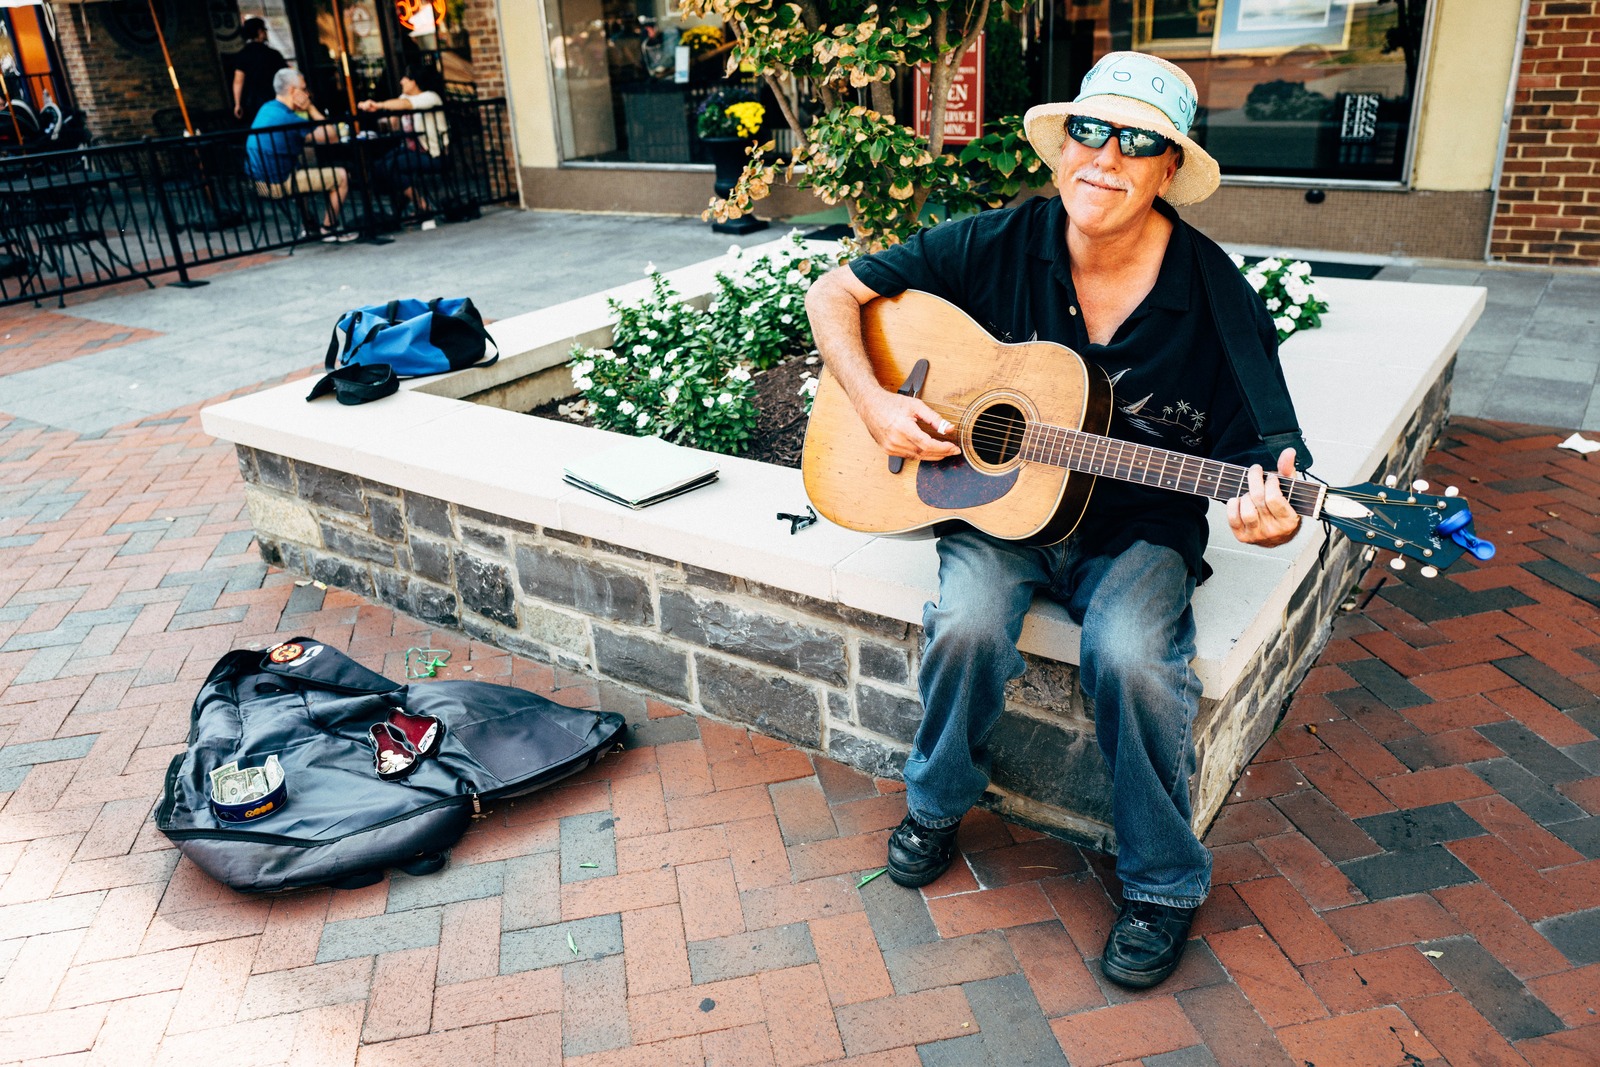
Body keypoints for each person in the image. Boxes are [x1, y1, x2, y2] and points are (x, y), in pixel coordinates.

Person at [804, 51, 1308, 990]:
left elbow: (1269, 465)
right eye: (1089, 130)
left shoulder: (1216, 297)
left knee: (1131, 662)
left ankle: (1161, 884)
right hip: (997, 512)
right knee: (965, 626)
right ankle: (936, 802)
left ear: (1168, 169)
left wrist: (1272, 517)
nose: (1104, 158)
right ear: (1060, 145)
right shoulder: (999, 241)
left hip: (1136, 529)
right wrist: (875, 402)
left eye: (1138, 141)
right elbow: (833, 292)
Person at [246, 68, 355, 242]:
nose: (308, 94)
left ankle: (309, 225)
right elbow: (331, 137)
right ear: (292, 91)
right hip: (276, 184)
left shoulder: (267, 108)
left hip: (256, 182)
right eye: (304, 89)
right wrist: (311, 109)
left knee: (299, 170)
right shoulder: (288, 117)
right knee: (342, 176)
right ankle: (328, 229)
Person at [358, 68, 448, 215]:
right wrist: (390, 118)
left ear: (414, 82)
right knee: (379, 166)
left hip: (433, 154)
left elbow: (408, 104)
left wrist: (379, 105)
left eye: (405, 78)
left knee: (391, 167)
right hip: (412, 151)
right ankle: (408, 207)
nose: (401, 81)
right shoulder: (404, 98)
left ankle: (422, 207)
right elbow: (393, 126)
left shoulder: (431, 97)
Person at [230, 17, 287, 126]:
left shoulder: (243, 55)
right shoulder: (273, 54)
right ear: (260, 32)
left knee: (259, 126)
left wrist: (237, 104)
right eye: (264, 30)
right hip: (274, 96)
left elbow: (238, 81)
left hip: (252, 100)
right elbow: (285, 75)